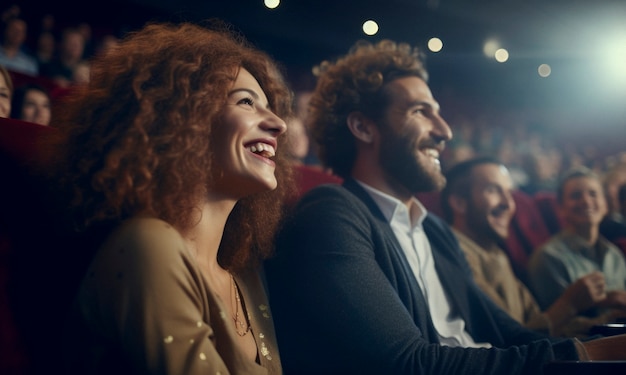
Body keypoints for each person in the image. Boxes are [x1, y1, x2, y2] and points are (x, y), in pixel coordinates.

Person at [265, 39, 626, 375]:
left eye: (438, 112)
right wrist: (587, 355)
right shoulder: (331, 213)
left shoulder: (434, 229)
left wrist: (598, 348)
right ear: (363, 126)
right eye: (421, 112)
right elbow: (406, 363)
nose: (445, 131)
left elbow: (510, 335)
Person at [46, 21, 293, 374]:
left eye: (269, 106)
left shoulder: (245, 275)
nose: (278, 124)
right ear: (182, 117)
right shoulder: (145, 243)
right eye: (246, 102)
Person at [442, 156, 620, 337]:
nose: (509, 204)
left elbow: (539, 323)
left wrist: (611, 319)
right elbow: (507, 341)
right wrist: (569, 305)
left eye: (510, 193)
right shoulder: (456, 254)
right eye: (493, 190)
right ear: (459, 203)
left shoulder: (496, 253)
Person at [528, 167, 626, 314]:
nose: (586, 201)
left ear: (605, 205)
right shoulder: (548, 257)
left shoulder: (615, 255)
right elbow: (554, 327)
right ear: (561, 208)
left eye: (593, 194)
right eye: (576, 196)